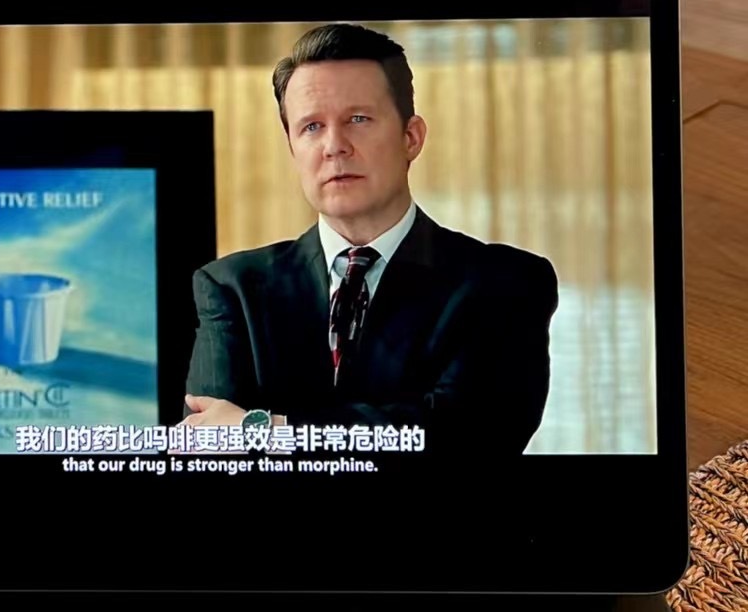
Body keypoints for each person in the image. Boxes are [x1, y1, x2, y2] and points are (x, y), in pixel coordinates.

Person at [182, 23, 559, 454]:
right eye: (311, 127)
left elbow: (468, 435)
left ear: (411, 137)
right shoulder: (232, 287)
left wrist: (267, 430)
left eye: (357, 119)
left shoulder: (505, 282)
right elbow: (211, 444)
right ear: (292, 149)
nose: (334, 146)